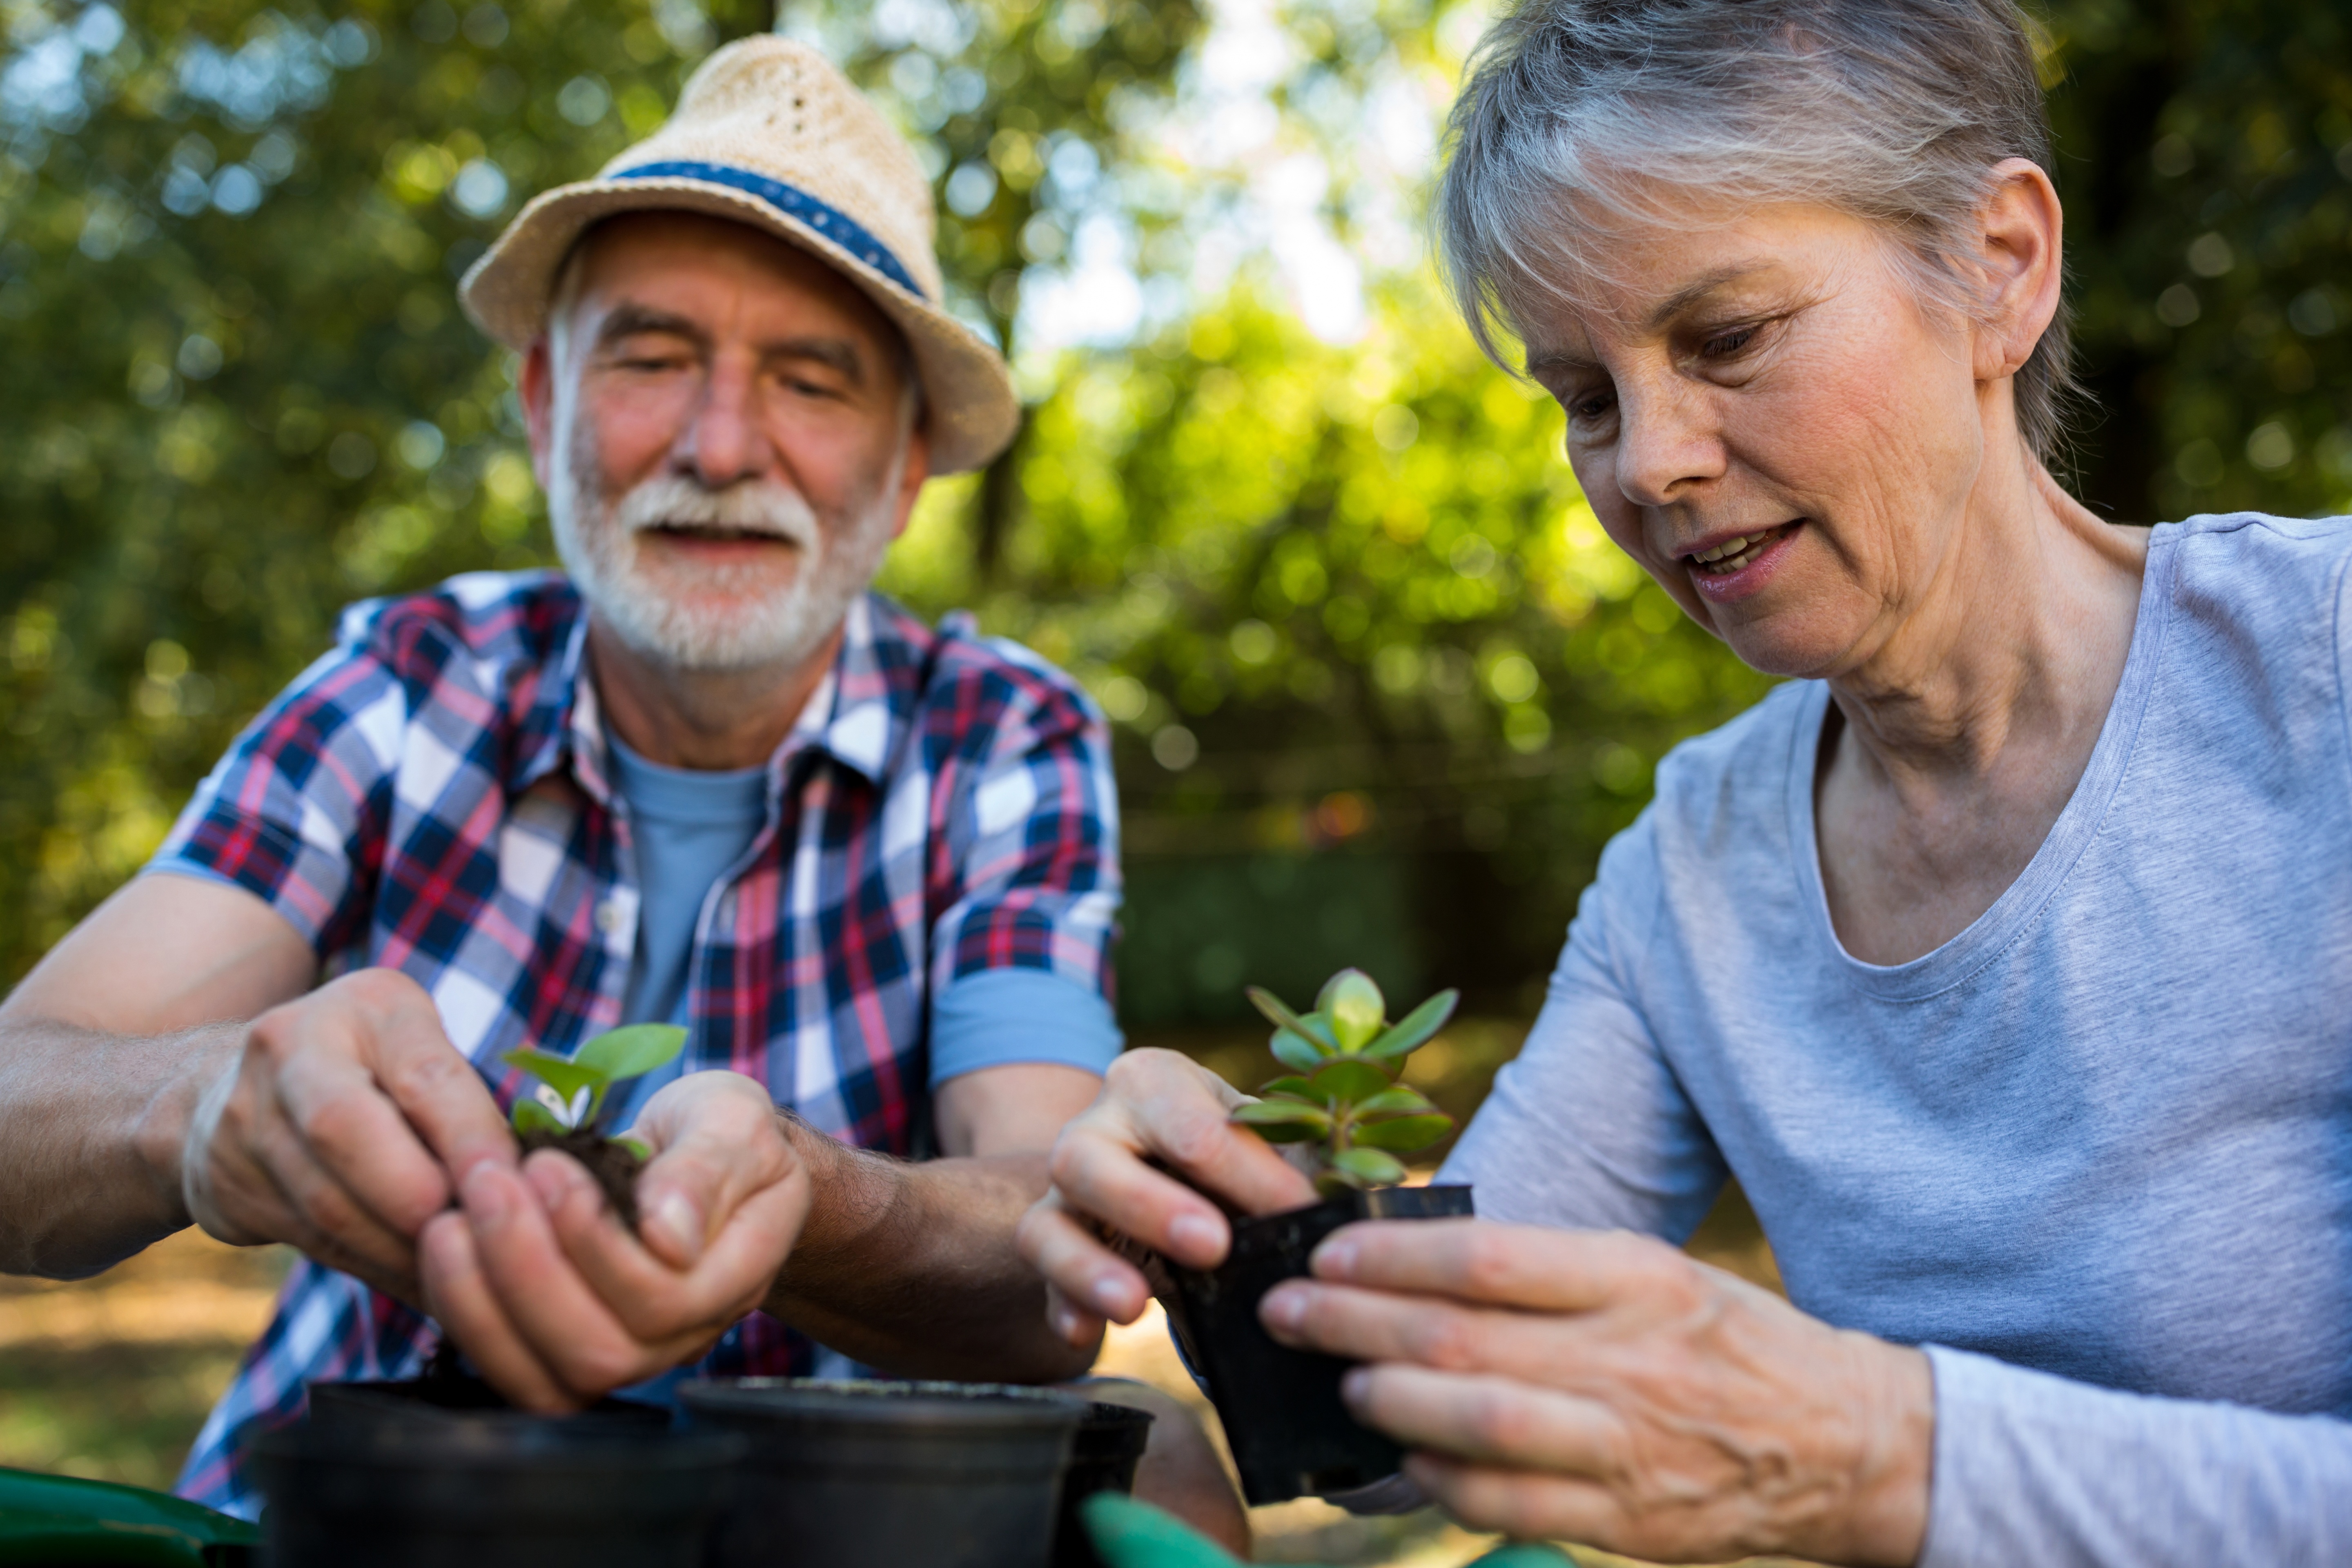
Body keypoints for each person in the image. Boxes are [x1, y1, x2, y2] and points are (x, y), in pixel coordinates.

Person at [1018, 0, 2352, 1563]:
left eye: (1728, 339)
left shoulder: (2318, 679)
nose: (1646, 463)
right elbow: (1409, 1425)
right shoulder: (1696, 864)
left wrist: (1880, 1456)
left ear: (1999, 264)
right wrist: (1226, 1227)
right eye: (1585, 395)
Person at [0, 38, 1241, 1533]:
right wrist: (192, 1102)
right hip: (398, 1482)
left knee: (1161, 1465)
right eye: (651, 359)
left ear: (907, 471)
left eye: (812, 381)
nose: (722, 447)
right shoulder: (406, 684)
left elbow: (1041, 1234)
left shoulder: (1001, 736)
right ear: (542, 403)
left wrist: (807, 1198)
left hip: (834, 1503)